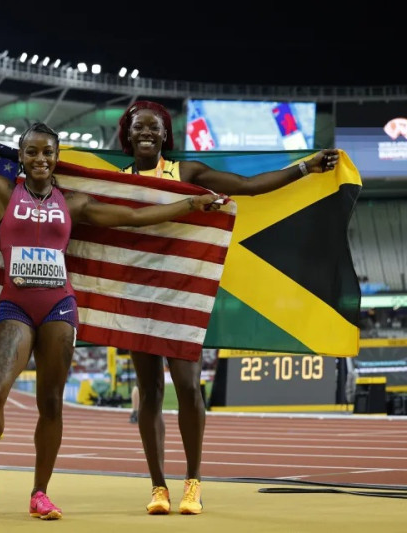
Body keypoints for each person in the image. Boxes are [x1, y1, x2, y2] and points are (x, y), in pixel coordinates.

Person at [0, 122, 223, 523]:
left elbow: (132, 217)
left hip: (59, 308)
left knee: (51, 402)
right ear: (21, 155)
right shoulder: (1, 191)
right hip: (16, 308)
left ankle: (40, 493)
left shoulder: (72, 204)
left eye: (47, 153)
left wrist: (189, 206)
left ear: (57, 158)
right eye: (32, 152)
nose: (40, 159)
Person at [116, 100, 339, 516]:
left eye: (154, 128)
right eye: (138, 128)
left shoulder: (187, 173)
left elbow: (249, 185)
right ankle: (158, 487)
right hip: (138, 295)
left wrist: (305, 168)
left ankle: (193, 483)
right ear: (127, 135)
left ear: (166, 134)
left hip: (182, 293)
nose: (146, 133)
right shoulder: (113, 181)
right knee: (148, 393)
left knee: (186, 387)